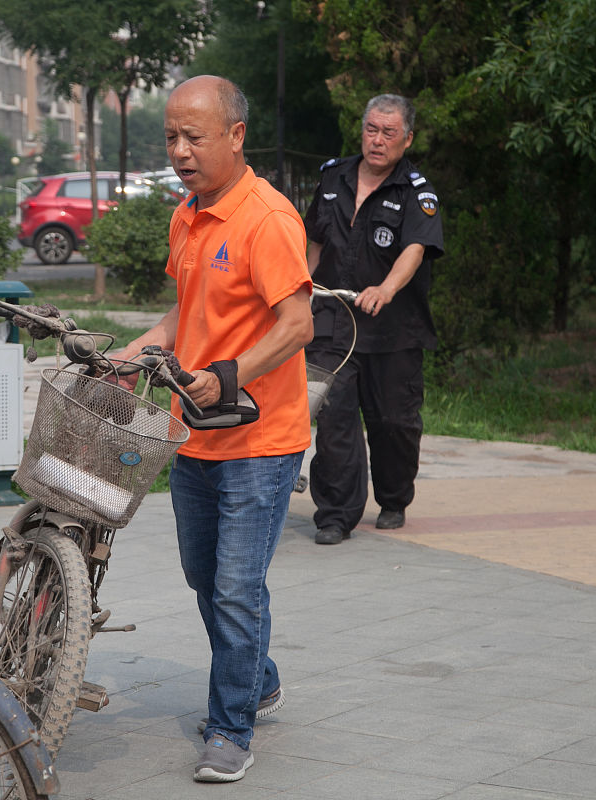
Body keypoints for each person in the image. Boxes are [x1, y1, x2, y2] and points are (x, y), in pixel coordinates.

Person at [118, 75, 313, 783]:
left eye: (192, 137)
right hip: (192, 430)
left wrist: (229, 373)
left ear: (235, 135)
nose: (179, 150)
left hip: (262, 439)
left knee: (236, 585)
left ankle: (231, 727)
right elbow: (182, 316)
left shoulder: (267, 218)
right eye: (170, 136)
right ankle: (257, 676)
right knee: (204, 575)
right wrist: (126, 354)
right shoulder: (187, 215)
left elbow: (298, 324)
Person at [305, 93, 444, 545]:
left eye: (388, 133)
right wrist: (299, 289)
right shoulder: (333, 177)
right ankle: (335, 514)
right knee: (334, 417)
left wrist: (386, 288)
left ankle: (393, 497)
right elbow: (314, 242)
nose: (377, 140)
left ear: (407, 139)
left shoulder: (416, 191)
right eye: (371, 129)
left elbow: (415, 249)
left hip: (393, 328)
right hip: (332, 320)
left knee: (393, 423)